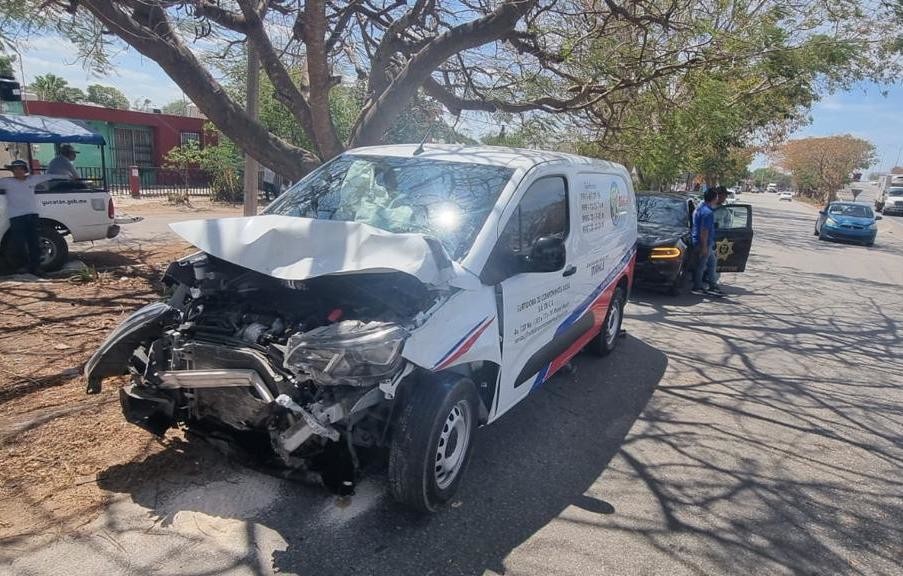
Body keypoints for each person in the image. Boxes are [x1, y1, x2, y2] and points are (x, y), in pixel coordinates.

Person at [0, 159, 67, 275]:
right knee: (19, 243)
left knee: (34, 242)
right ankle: (23, 266)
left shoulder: (32, 179)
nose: (18, 171)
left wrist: (67, 177)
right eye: (15, 169)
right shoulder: (6, 182)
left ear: (25, 170)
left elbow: (49, 176)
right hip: (16, 216)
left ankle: (36, 267)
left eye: (20, 168)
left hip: (31, 215)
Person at [691, 187, 723, 296]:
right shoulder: (707, 212)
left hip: (703, 242)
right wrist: (704, 247)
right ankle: (697, 287)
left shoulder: (699, 208)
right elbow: (704, 231)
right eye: (717, 196)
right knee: (701, 265)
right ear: (714, 198)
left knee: (712, 264)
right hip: (703, 243)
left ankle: (712, 286)